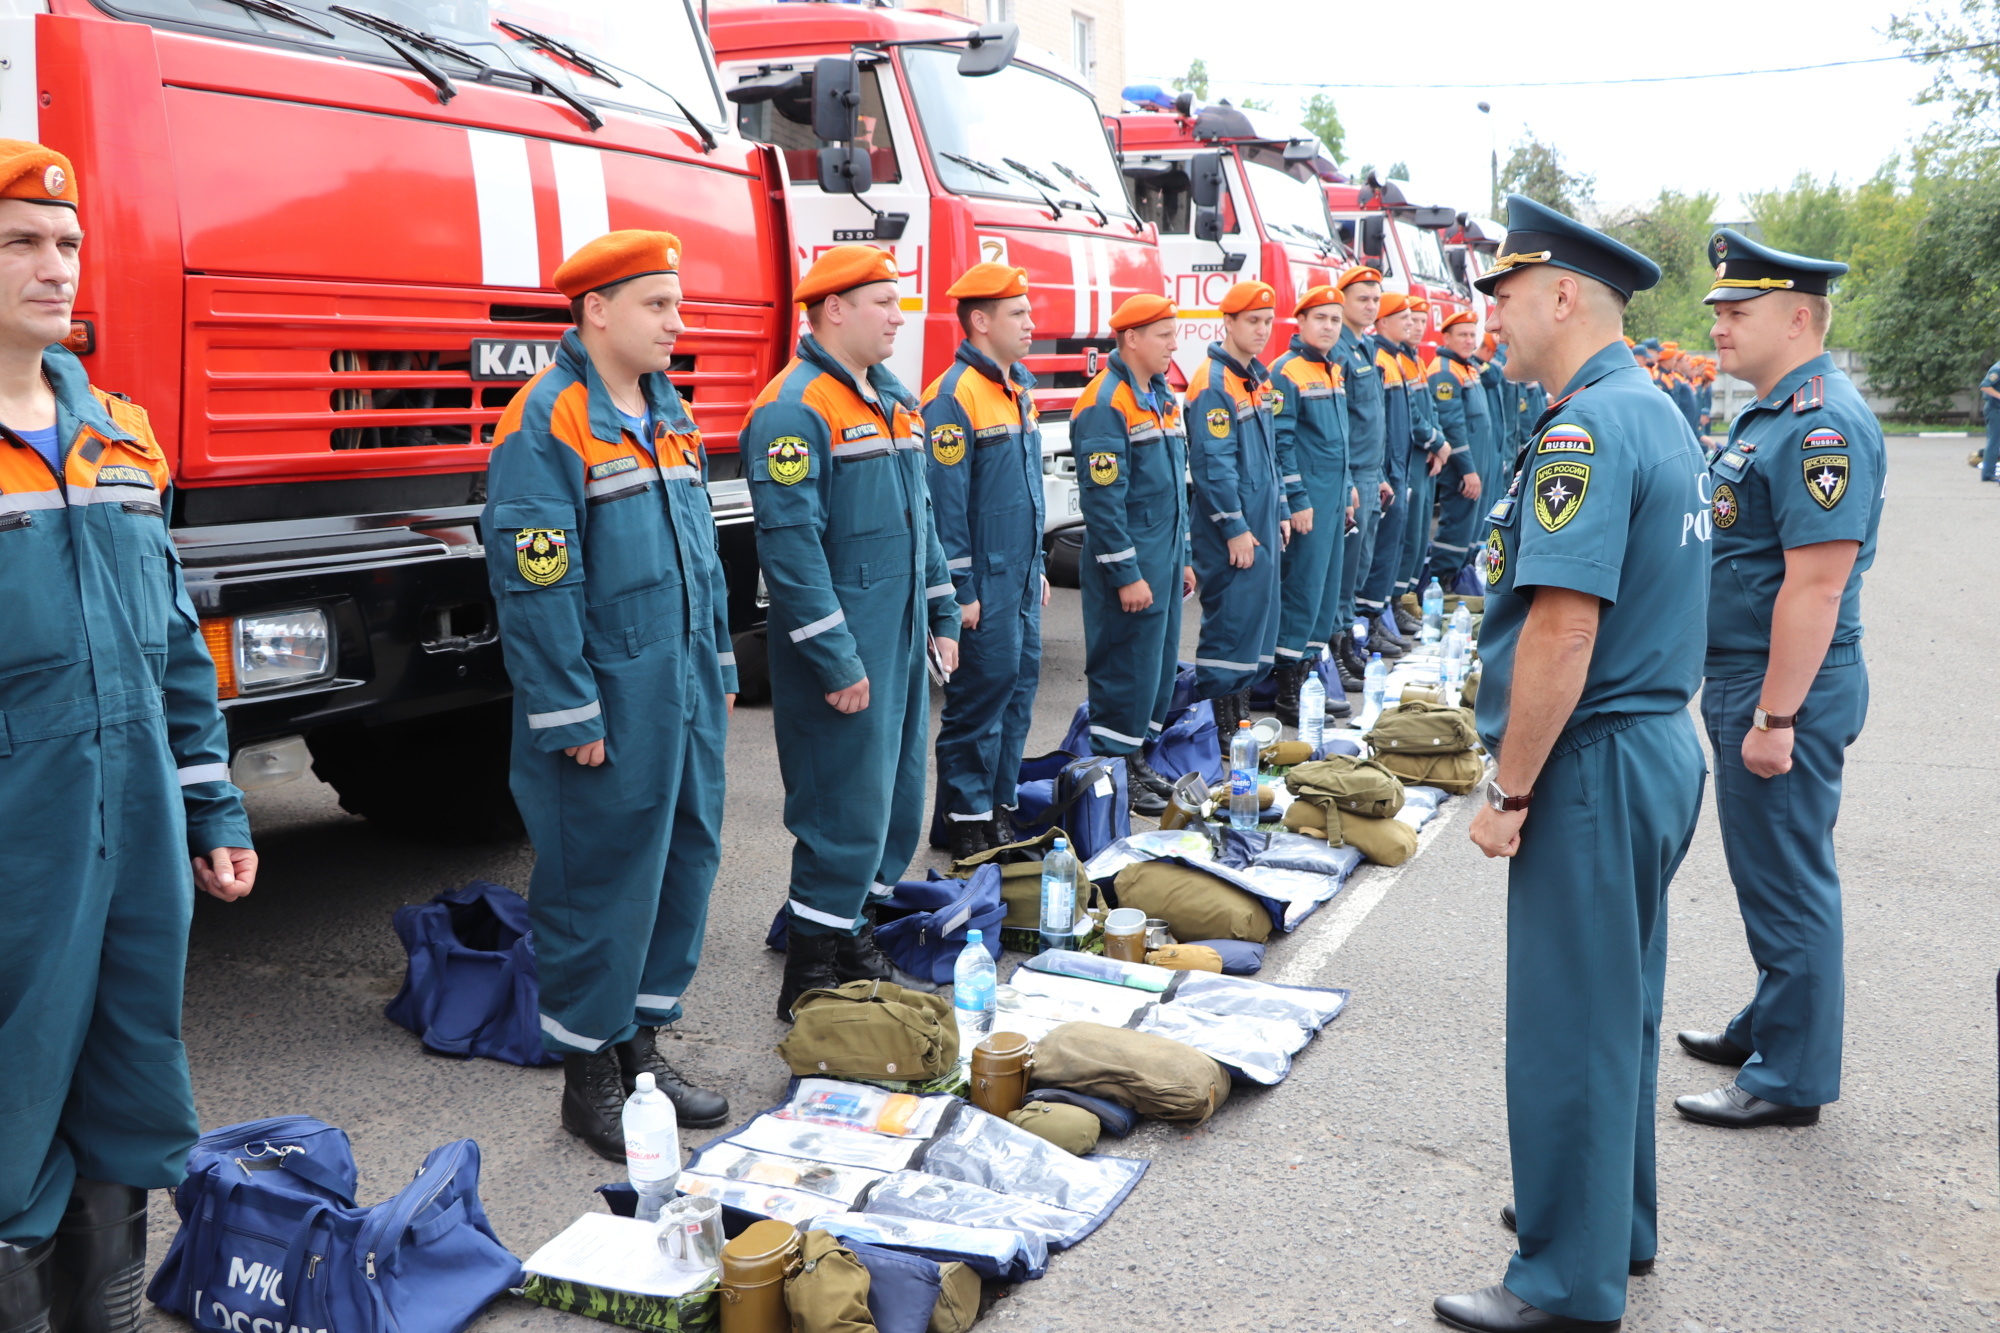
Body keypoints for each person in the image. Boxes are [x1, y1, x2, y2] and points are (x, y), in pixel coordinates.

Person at [1437, 195, 1709, 1333]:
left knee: (1566, 1024)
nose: (1490, 319)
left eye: (1501, 297)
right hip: (1647, 746)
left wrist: (1508, 788)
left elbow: (1561, 630)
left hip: (1593, 758)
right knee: (1615, 1009)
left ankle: (1562, 1285)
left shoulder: (1584, 429)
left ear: (1561, 295)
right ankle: (1611, 1226)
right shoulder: (1647, 411)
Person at [0, 141, 257, 1333]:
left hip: (139, 821)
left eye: (66, 244)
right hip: (20, 830)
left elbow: (171, 649)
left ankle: (96, 1309)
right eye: (20, 243)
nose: (55, 268)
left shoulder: (121, 438)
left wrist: (212, 807)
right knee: (10, 1085)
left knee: (129, 1066)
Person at [483, 230, 733, 1153]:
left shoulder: (667, 411)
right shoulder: (546, 421)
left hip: (684, 686)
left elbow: (699, 558)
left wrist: (718, 665)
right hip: (608, 697)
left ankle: (639, 1047)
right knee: (600, 879)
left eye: (677, 303)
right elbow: (534, 581)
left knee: (682, 857)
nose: (678, 322)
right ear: (596, 310)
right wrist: (568, 706)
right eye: (657, 305)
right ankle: (589, 1071)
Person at [1672, 228, 1885, 1130]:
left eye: (1738, 309)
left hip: (1780, 687)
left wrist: (1774, 713)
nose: (1718, 323)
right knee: (1771, 873)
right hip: (1752, 679)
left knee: (1789, 878)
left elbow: (1817, 584)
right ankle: (1771, 1025)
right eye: (1718, 308)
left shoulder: (1821, 424)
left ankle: (1788, 1075)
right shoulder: (1773, 412)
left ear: (1798, 317)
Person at [744, 245, 961, 1018]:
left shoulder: (892, 399)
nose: (900, 316)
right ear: (834, 308)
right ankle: (809, 972)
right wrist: (836, 657)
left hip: (898, 641)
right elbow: (792, 550)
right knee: (842, 807)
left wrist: (941, 611)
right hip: (842, 649)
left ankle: (851, 936)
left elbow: (923, 520)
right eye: (885, 303)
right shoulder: (793, 408)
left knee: (895, 804)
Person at [922, 262, 1047, 861]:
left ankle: (997, 806)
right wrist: (959, 589)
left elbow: (1027, 492)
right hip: (983, 582)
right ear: (980, 321)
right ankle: (964, 819)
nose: (1030, 323)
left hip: (1020, 575)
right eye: (1018, 313)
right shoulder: (952, 398)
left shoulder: (1016, 386)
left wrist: (1040, 564)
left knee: (1017, 691)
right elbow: (946, 510)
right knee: (979, 697)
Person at [1071, 294, 1195, 809]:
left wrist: (1183, 555)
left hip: (1161, 556)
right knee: (1124, 665)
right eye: (1164, 334)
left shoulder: (1160, 395)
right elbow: (1103, 503)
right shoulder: (1106, 403)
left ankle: (1138, 755)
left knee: (1156, 664)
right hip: (1128, 562)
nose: (1173, 344)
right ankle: (1114, 764)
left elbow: (1172, 488)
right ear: (1131, 339)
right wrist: (1125, 574)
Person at [1187, 280, 1288, 742]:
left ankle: (1240, 718)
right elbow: (1213, 467)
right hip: (1234, 529)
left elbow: (1269, 457)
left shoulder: (1256, 378)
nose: (1263, 330)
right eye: (1253, 321)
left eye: (1268, 321)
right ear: (1227, 323)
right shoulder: (1213, 384)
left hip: (1260, 521)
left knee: (1254, 625)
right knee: (1230, 625)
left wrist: (1282, 510)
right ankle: (1218, 727)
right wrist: (1233, 527)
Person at [1270, 285, 1354, 725]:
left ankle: (1308, 676)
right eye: (1320, 318)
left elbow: (1336, 442)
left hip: (1332, 500)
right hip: (1309, 505)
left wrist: (1349, 488)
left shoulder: (1332, 370)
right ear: (1300, 322)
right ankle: (1288, 689)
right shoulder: (1287, 371)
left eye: (1335, 319)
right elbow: (1281, 444)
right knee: (1301, 592)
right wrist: (1296, 499)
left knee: (1323, 594)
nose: (1328, 327)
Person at [1328, 266, 1387, 692]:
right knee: (1344, 570)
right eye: (1362, 298)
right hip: (1350, 477)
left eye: (1375, 300)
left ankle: (1348, 639)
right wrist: (1350, 477)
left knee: (1360, 564)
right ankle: (1335, 649)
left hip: (1369, 473)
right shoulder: (1339, 352)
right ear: (1343, 300)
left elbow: (1370, 423)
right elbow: (1340, 428)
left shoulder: (1365, 348)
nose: (1370, 306)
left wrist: (1378, 473)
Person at [1353, 291, 1416, 655]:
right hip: (1384, 465)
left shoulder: (1394, 358)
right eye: (1403, 317)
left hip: (1395, 464)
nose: (1410, 324)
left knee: (1392, 545)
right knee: (1372, 552)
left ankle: (1381, 614)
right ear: (1384, 324)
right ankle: (1369, 619)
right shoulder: (1379, 357)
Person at [1426, 312, 1490, 589]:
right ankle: (1440, 584)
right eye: (1462, 335)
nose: (1468, 340)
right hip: (1461, 469)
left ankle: (1456, 582)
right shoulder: (1444, 371)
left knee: (1468, 528)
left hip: (1475, 465)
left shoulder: (1466, 366)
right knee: (1456, 527)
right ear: (1446, 337)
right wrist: (1468, 470)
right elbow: (1453, 426)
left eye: (1472, 335)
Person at [1978, 355, 2000, 482]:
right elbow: (1985, 386)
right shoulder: (1998, 369)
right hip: (1995, 410)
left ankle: (1985, 458)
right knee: (1994, 441)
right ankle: (1988, 473)